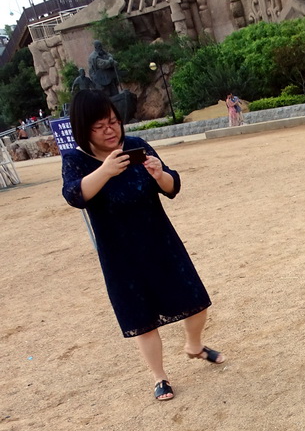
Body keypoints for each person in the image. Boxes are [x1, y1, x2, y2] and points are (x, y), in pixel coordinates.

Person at [61, 90, 223, 402]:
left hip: (161, 242)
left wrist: (160, 174)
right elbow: (74, 196)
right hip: (120, 256)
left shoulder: (136, 145)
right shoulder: (76, 160)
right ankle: (160, 377)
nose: (111, 130)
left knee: (197, 301)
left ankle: (194, 345)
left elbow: (173, 187)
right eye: (101, 126)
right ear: (84, 129)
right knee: (143, 321)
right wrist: (106, 171)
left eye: (114, 122)